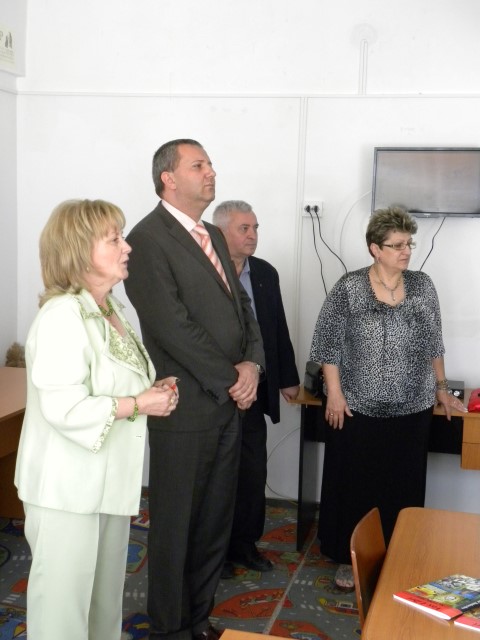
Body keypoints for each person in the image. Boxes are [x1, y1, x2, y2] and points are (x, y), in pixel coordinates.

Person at [14, 199, 179, 640]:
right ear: (80, 251)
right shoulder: (61, 316)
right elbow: (65, 408)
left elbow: (113, 382)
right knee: (62, 614)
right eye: (114, 239)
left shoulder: (110, 309)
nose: (127, 247)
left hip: (106, 484)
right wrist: (139, 404)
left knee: (103, 605)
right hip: (66, 489)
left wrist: (153, 390)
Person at [124, 140, 265, 640]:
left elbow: (242, 309)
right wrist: (233, 379)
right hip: (184, 409)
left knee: (212, 525)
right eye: (198, 165)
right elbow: (172, 327)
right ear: (168, 178)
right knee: (176, 527)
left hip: (227, 406)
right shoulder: (146, 239)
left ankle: (197, 620)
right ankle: (169, 628)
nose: (211, 172)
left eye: (210, 164)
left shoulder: (212, 234)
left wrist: (252, 365)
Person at [309, 206, 467, 590]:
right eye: (396, 245)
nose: (406, 251)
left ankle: (398, 555)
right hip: (357, 407)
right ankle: (349, 558)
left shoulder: (422, 285)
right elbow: (327, 344)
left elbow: (434, 342)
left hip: (411, 408)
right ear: (375, 249)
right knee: (357, 485)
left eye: (408, 244)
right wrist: (334, 394)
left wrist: (442, 389)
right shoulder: (349, 287)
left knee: (402, 485)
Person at [212, 200, 300, 576]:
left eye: (256, 228)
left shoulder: (264, 273)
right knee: (217, 476)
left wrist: (287, 377)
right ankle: (215, 553)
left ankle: (245, 545)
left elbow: (276, 327)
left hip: (254, 390)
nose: (253, 235)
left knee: (251, 472)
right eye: (244, 229)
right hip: (213, 392)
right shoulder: (203, 270)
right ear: (220, 233)